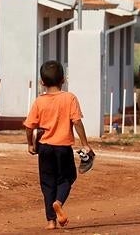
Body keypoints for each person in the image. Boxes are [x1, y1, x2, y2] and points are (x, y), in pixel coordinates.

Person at [23, 60, 93, 230]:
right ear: (63, 79)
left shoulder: (39, 101)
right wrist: (85, 144)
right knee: (67, 177)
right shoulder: (69, 98)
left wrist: (30, 144)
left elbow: (29, 126)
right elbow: (77, 122)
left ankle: (51, 221)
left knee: (47, 183)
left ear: (41, 82)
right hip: (63, 148)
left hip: (45, 147)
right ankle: (59, 201)